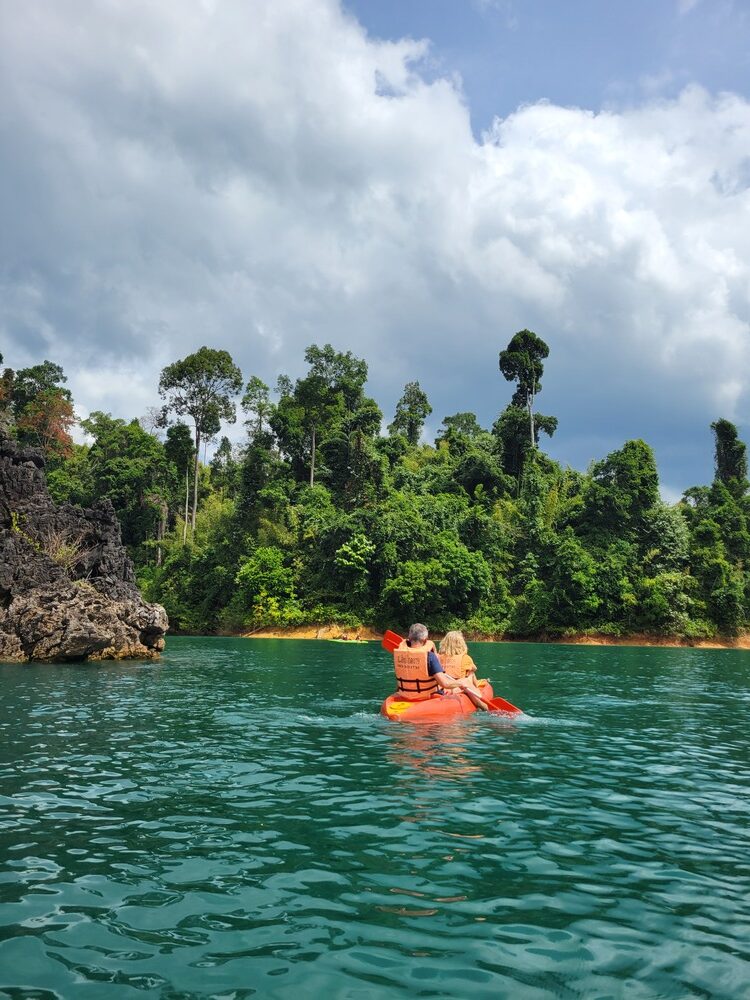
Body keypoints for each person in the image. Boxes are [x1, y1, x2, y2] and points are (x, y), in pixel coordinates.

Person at [396, 623, 487, 708]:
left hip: (406, 694)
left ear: (409, 637)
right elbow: (445, 684)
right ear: (425, 639)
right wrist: (462, 682)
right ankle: (483, 706)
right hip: (428, 695)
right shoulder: (429, 657)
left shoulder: (399, 655)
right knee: (467, 681)